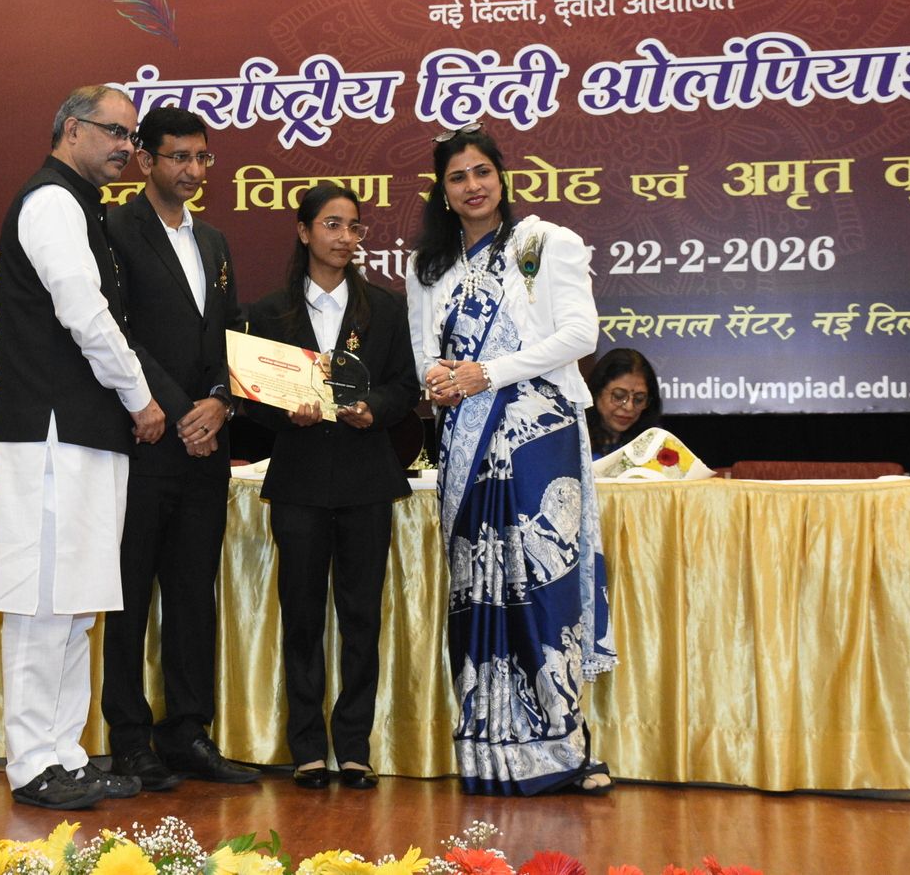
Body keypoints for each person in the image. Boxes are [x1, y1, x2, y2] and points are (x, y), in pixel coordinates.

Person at [405, 124, 616, 796]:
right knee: (478, 588)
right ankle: (488, 749)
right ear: (442, 191)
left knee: (542, 585)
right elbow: (425, 354)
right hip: (465, 443)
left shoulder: (543, 243)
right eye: (457, 177)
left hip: (537, 437)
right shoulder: (428, 267)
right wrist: (437, 379)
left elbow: (580, 334)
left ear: (501, 177)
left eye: (482, 172)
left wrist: (488, 373)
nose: (472, 186)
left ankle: (564, 745)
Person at [0, 85, 166, 811]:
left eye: (131, 135)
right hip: (54, 431)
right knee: (42, 602)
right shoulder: (52, 202)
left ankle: (65, 754)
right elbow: (83, 312)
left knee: (77, 605)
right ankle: (32, 764)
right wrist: (140, 396)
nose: (127, 147)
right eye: (114, 132)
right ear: (69, 130)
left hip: (86, 432)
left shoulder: (83, 206)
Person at [101, 107, 259, 791]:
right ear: (146, 161)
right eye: (180, 158)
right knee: (129, 596)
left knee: (194, 594)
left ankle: (187, 732)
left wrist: (221, 400)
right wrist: (179, 409)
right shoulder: (115, 229)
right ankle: (129, 739)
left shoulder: (214, 240)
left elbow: (231, 332)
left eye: (203, 158)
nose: (194, 170)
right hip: (144, 440)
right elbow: (117, 331)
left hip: (206, 446)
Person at [243, 184, 417, 791]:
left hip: (367, 480)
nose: (346, 237)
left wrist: (375, 407)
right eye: (332, 225)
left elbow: (405, 387)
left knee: (361, 617)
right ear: (304, 231)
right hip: (299, 481)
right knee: (302, 617)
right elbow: (253, 400)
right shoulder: (271, 312)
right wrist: (284, 410)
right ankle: (308, 748)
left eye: (354, 227)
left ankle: (355, 747)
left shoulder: (385, 308)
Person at [586, 348, 663, 459]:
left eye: (639, 399)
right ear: (597, 392)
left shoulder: (655, 443)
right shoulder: (573, 440)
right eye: (619, 396)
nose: (629, 407)